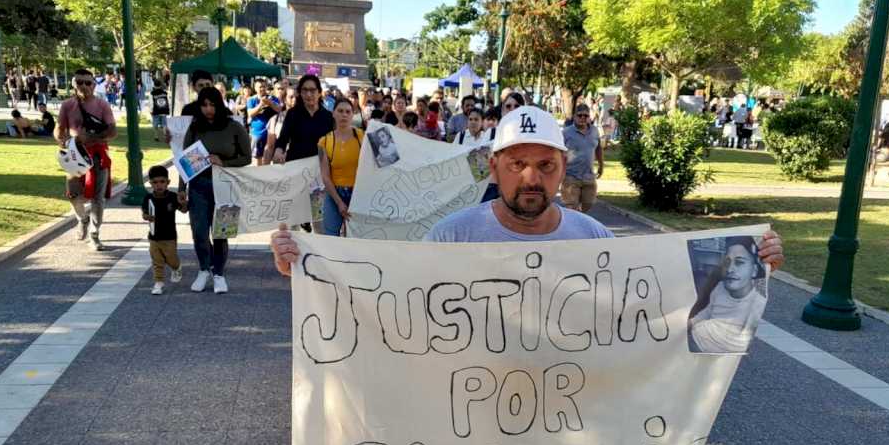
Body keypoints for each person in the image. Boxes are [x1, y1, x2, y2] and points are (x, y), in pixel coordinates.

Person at [271, 105, 785, 279]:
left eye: (545, 165)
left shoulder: (595, 239)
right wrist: (309, 263)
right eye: (517, 164)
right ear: (494, 167)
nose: (531, 178)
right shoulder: (451, 237)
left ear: (564, 168)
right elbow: (389, 298)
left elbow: (661, 297)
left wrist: (744, 258)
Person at [179, 87, 251, 294]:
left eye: (212, 104)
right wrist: (182, 189)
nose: (208, 109)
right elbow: (185, 161)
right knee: (199, 232)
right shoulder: (194, 128)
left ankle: (218, 273)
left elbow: (246, 158)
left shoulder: (234, 127)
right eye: (204, 105)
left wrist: (224, 162)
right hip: (199, 187)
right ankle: (204, 268)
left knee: (221, 232)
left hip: (225, 187)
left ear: (220, 105)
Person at [55, 68, 118, 251]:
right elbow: (59, 129)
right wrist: (62, 138)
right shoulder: (67, 105)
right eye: (79, 82)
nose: (84, 86)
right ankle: (82, 219)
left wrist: (92, 137)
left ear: (94, 84)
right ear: (74, 84)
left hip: (97, 156)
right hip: (75, 155)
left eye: (88, 82)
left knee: (98, 198)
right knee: (73, 194)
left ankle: (94, 234)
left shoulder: (102, 105)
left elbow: (112, 131)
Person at [688, 237, 767, 354]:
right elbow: (706, 313)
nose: (730, 269)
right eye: (727, 262)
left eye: (739, 262)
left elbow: (745, 342)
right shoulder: (720, 288)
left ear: (754, 270)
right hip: (696, 343)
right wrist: (689, 324)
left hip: (721, 352)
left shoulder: (757, 302)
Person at [264, 74, 334, 166]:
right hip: (295, 166)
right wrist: (278, 151)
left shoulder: (328, 116)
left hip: (319, 167)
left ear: (319, 92)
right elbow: (283, 138)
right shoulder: (292, 114)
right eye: (304, 90)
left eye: (312, 90)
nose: (308, 94)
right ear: (300, 93)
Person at [318, 98, 364, 236]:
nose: (344, 115)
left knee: (358, 237)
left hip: (359, 194)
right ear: (333, 114)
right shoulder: (324, 141)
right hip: (334, 194)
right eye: (340, 111)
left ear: (352, 115)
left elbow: (385, 158)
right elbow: (325, 176)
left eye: (348, 112)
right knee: (330, 235)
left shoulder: (363, 137)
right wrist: (339, 203)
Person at [142, 165, 186, 295]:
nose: (159, 185)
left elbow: (184, 210)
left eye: (162, 182)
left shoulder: (172, 196)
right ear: (150, 184)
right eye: (155, 182)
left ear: (168, 182)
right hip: (154, 236)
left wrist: (183, 203)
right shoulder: (148, 198)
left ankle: (177, 267)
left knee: (171, 258)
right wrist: (147, 216)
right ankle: (158, 282)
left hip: (169, 236)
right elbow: (144, 213)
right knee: (157, 261)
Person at [561, 104, 603, 213]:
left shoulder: (594, 131)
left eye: (586, 116)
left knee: (589, 204)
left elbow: (598, 148)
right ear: (574, 116)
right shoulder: (566, 133)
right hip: (570, 176)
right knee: (571, 208)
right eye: (580, 115)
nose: (583, 118)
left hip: (589, 176)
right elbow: (558, 152)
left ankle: (579, 218)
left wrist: (601, 165)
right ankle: (573, 226)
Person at [246, 80, 282, 165]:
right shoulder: (251, 100)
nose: (262, 88)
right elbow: (250, 113)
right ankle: (259, 176)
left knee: (272, 158)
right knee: (258, 158)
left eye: (264, 86)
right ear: (255, 88)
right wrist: (260, 105)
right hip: (257, 133)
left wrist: (270, 103)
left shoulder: (273, 98)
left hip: (272, 133)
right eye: (260, 87)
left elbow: (279, 109)